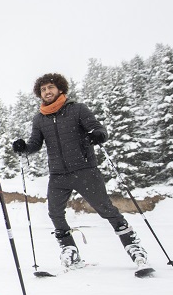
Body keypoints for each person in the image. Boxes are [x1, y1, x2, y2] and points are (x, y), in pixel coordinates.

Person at [11, 72, 150, 272]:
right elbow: (35, 144)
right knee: (54, 213)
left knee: (106, 210)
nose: (47, 92)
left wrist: (98, 135)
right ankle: (70, 251)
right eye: (43, 89)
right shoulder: (39, 119)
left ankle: (134, 248)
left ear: (60, 89)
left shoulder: (77, 110)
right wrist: (23, 147)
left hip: (84, 170)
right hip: (58, 174)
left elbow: (98, 129)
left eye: (50, 87)